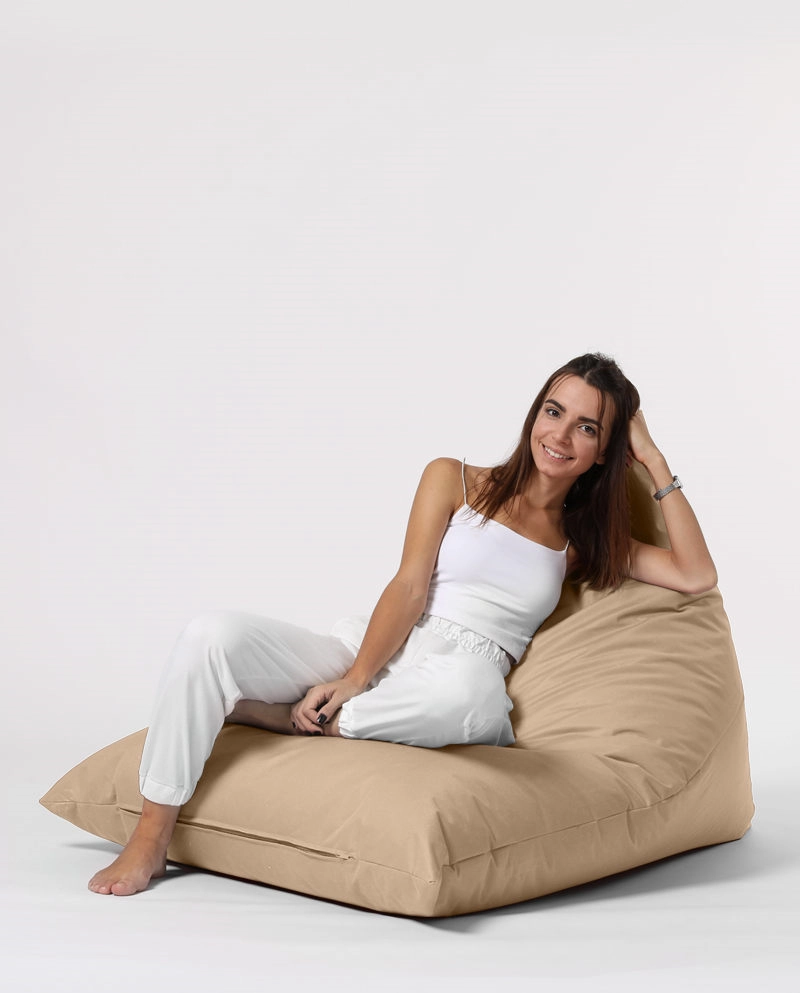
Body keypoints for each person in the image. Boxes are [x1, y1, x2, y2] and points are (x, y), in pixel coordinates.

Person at [88, 352, 717, 896]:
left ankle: (281, 718)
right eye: (554, 412)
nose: (561, 435)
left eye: (587, 427)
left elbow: (695, 574)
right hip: (381, 645)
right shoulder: (454, 478)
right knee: (211, 635)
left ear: (604, 452)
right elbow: (410, 586)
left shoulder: (579, 540)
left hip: (460, 677)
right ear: (534, 415)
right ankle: (151, 836)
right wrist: (356, 676)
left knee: (470, 699)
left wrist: (653, 458)